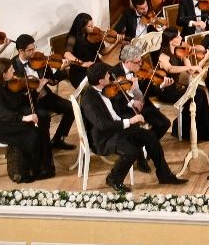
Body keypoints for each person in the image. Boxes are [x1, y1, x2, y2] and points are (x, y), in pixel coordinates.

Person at [80, 62, 186, 194]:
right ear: (101, 81)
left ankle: (164, 175)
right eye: (107, 76)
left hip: (117, 130)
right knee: (132, 151)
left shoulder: (106, 89)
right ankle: (113, 178)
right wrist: (130, 121)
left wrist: (131, 94)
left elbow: (117, 106)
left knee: (151, 136)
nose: (110, 78)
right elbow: (102, 125)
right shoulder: (89, 100)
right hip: (104, 138)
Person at [0, 58, 53, 183]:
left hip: (10, 120)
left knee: (41, 123)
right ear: (3, 74)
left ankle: (44, 166)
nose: (14, 70)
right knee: (32, 132)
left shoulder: (7, 83)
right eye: (10, 69)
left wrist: (36, 90)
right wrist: (25, 118)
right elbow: (3, 114)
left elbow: (20, 102)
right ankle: (29, 170)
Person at [13, 35, 76, 151]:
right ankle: (44, 148)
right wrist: (35, 88)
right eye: (30, 50)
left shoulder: (39, 59)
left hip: (45, 96)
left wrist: (62, 69)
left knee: (72, 108)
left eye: (34, 48)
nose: (34, 52)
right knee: (44, 118)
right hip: (30, 101)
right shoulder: (14, 67)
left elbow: (52, 81)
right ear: (20, 51)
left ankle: (58, 139)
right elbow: (17, 92)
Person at [154, 28, 209, 142]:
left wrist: (205, 58)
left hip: (177, 88)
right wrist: (190, 67)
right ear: (170, 41)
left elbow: (192, 71)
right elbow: (170, 68)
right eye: (178, 37)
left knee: (200, 93)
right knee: (197, 94)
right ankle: (184, 130)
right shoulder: (163, 55)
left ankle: (201, 132)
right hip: (166, 91)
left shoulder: (180, 52)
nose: (181, 38)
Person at [112, 43, 174, 143]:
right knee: (137, 131)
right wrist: (132, 102)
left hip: (143, 103)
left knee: (164, 124)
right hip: (126, 109)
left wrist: (162, 85)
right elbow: (114, 99)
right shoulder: (113, 73)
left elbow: (148, 89)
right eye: (137, 62)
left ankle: (147, 145)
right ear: (128, 62)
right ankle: (141, 149)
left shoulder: (140, 71)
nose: (141, 64)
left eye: (140, 60)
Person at [62, 12, 100, 88]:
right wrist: (83, 64)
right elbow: (67, 54)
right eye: (89, 26)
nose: (93, 27)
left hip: (95, 66)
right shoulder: (72, 37)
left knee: (111, 75)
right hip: (80, 71)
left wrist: (115, 43)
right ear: (82, 27)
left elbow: (104, 52)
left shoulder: (93, 35)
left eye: (92, 25)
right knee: (95, 87)